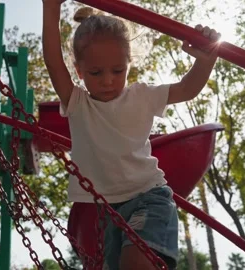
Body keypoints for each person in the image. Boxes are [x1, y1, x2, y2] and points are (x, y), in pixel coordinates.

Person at [42, 0, 221, 269]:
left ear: (128, 64)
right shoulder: (78, 102)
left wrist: (206, 60)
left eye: (118, 70)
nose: (108, 80)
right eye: (95, 72)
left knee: (137, 261)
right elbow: (54, 63)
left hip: (148, 197)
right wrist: (51, 8)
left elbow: (187, 88)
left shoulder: (141, 96)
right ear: (79, 71)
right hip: (105, 212)